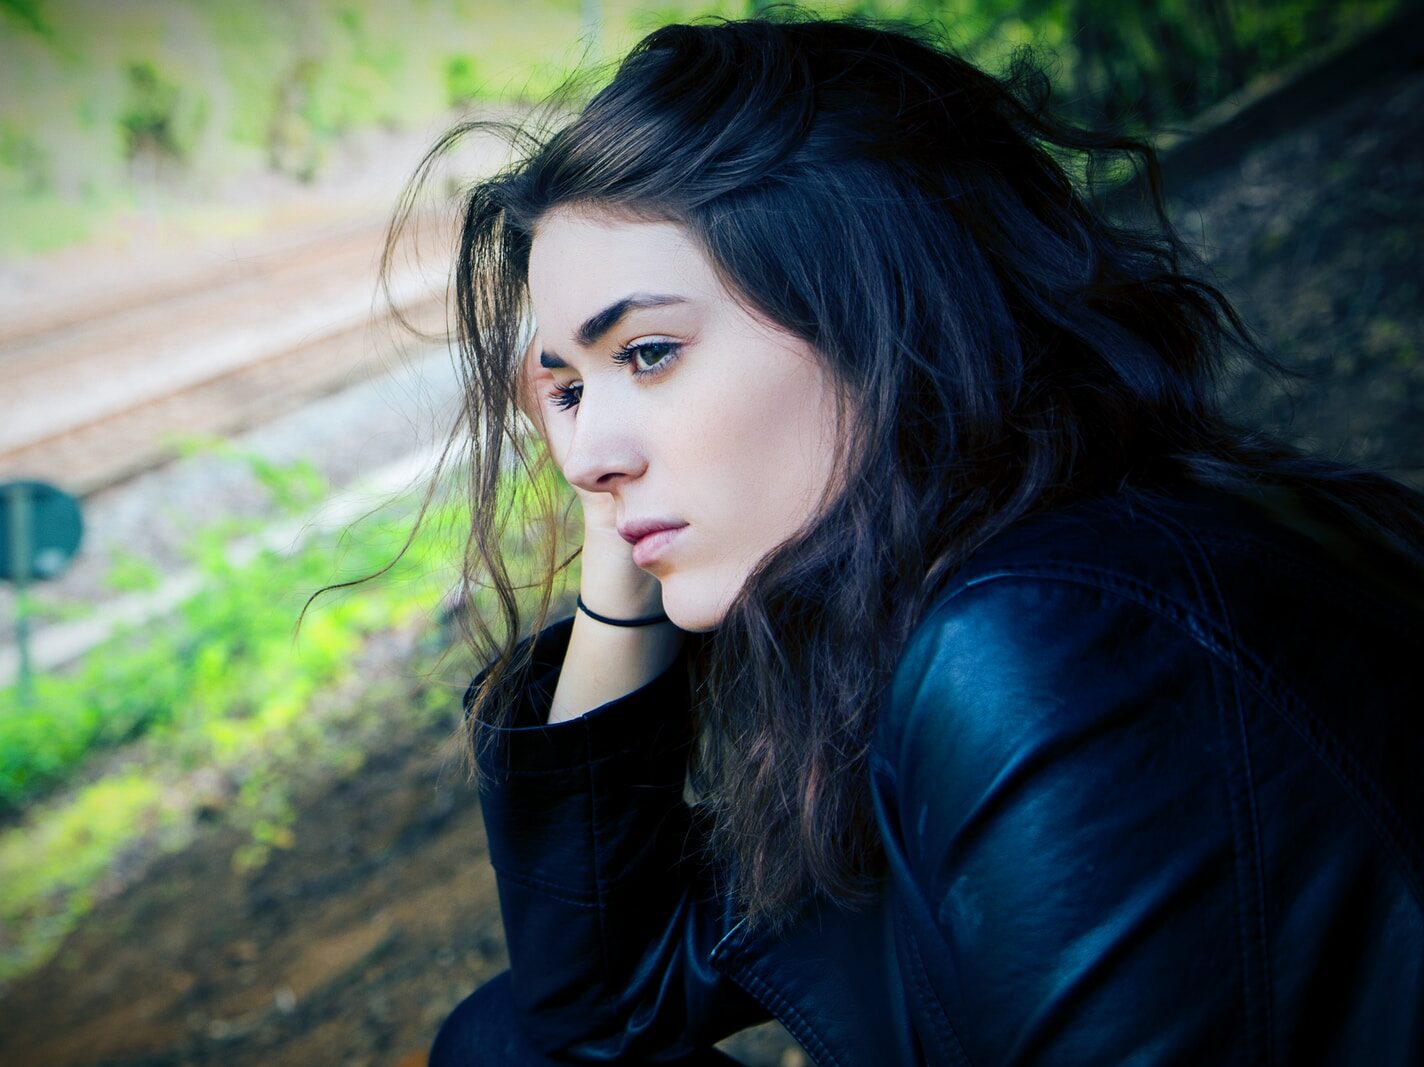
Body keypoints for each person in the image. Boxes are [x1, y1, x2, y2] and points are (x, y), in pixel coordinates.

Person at [410, 13, 1424, 1065]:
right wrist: (621, 533)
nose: (583, 454)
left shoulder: (1050, 640)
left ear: (872, 308)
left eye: (650, 351)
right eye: (566, 388)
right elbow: (597, 1000)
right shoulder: (935, 597)